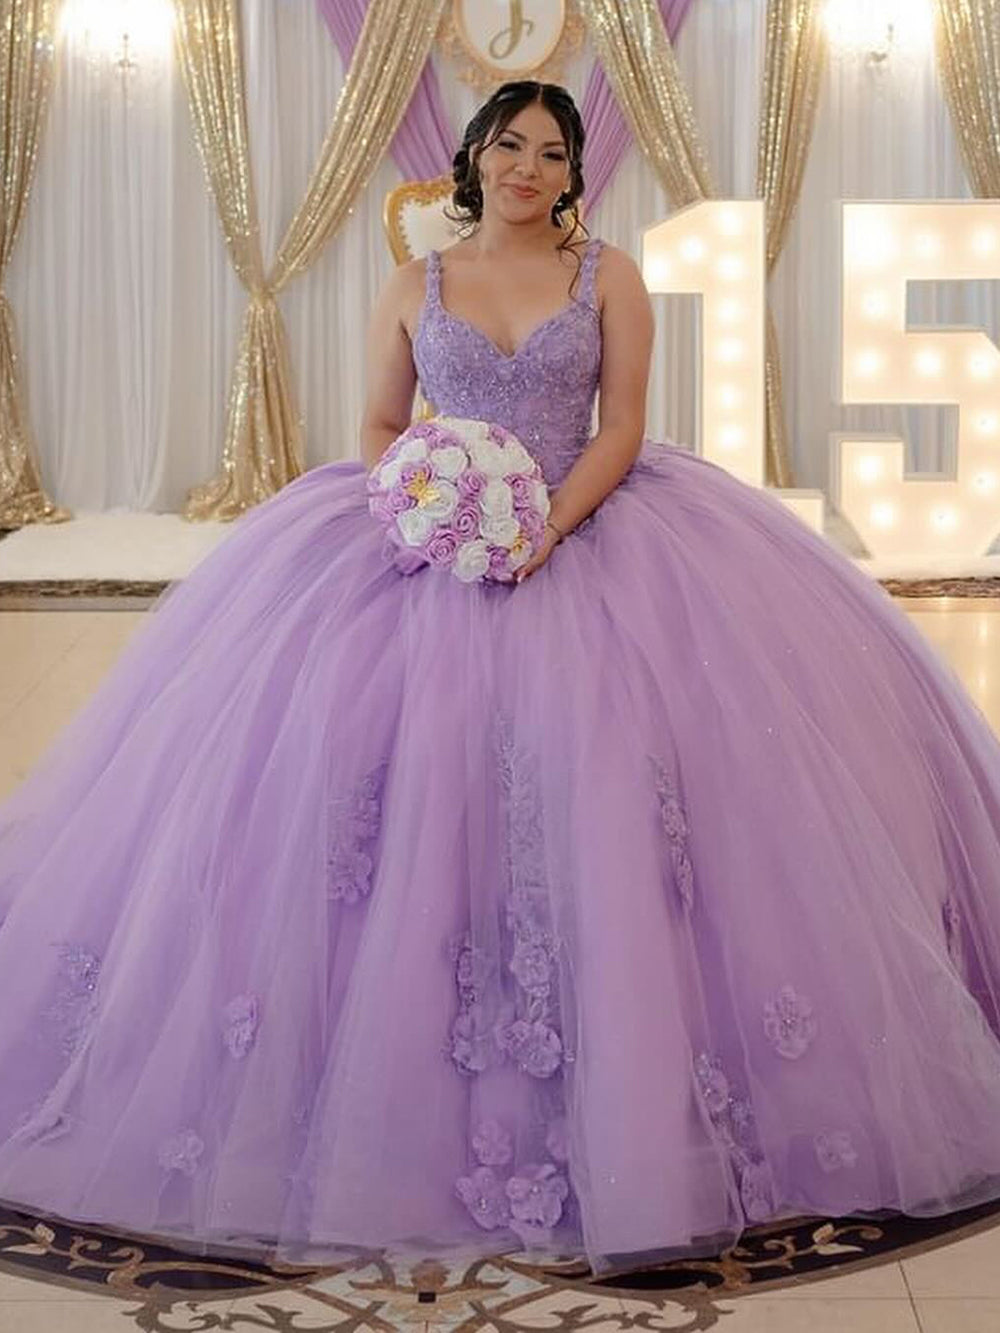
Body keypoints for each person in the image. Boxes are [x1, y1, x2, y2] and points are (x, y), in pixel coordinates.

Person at [2, 79, 1000, 1281]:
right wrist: (427, 501)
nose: (530, 166)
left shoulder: (609, 277)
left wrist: (544, 525)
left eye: (554, 151)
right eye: (510, 144)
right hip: (426, 538)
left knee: (618, 768)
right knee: (373, 772)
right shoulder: (414, 282)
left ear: (575, 174)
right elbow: (380, 426)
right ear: (472, 158)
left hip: (594, 527)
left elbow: (622, 426)